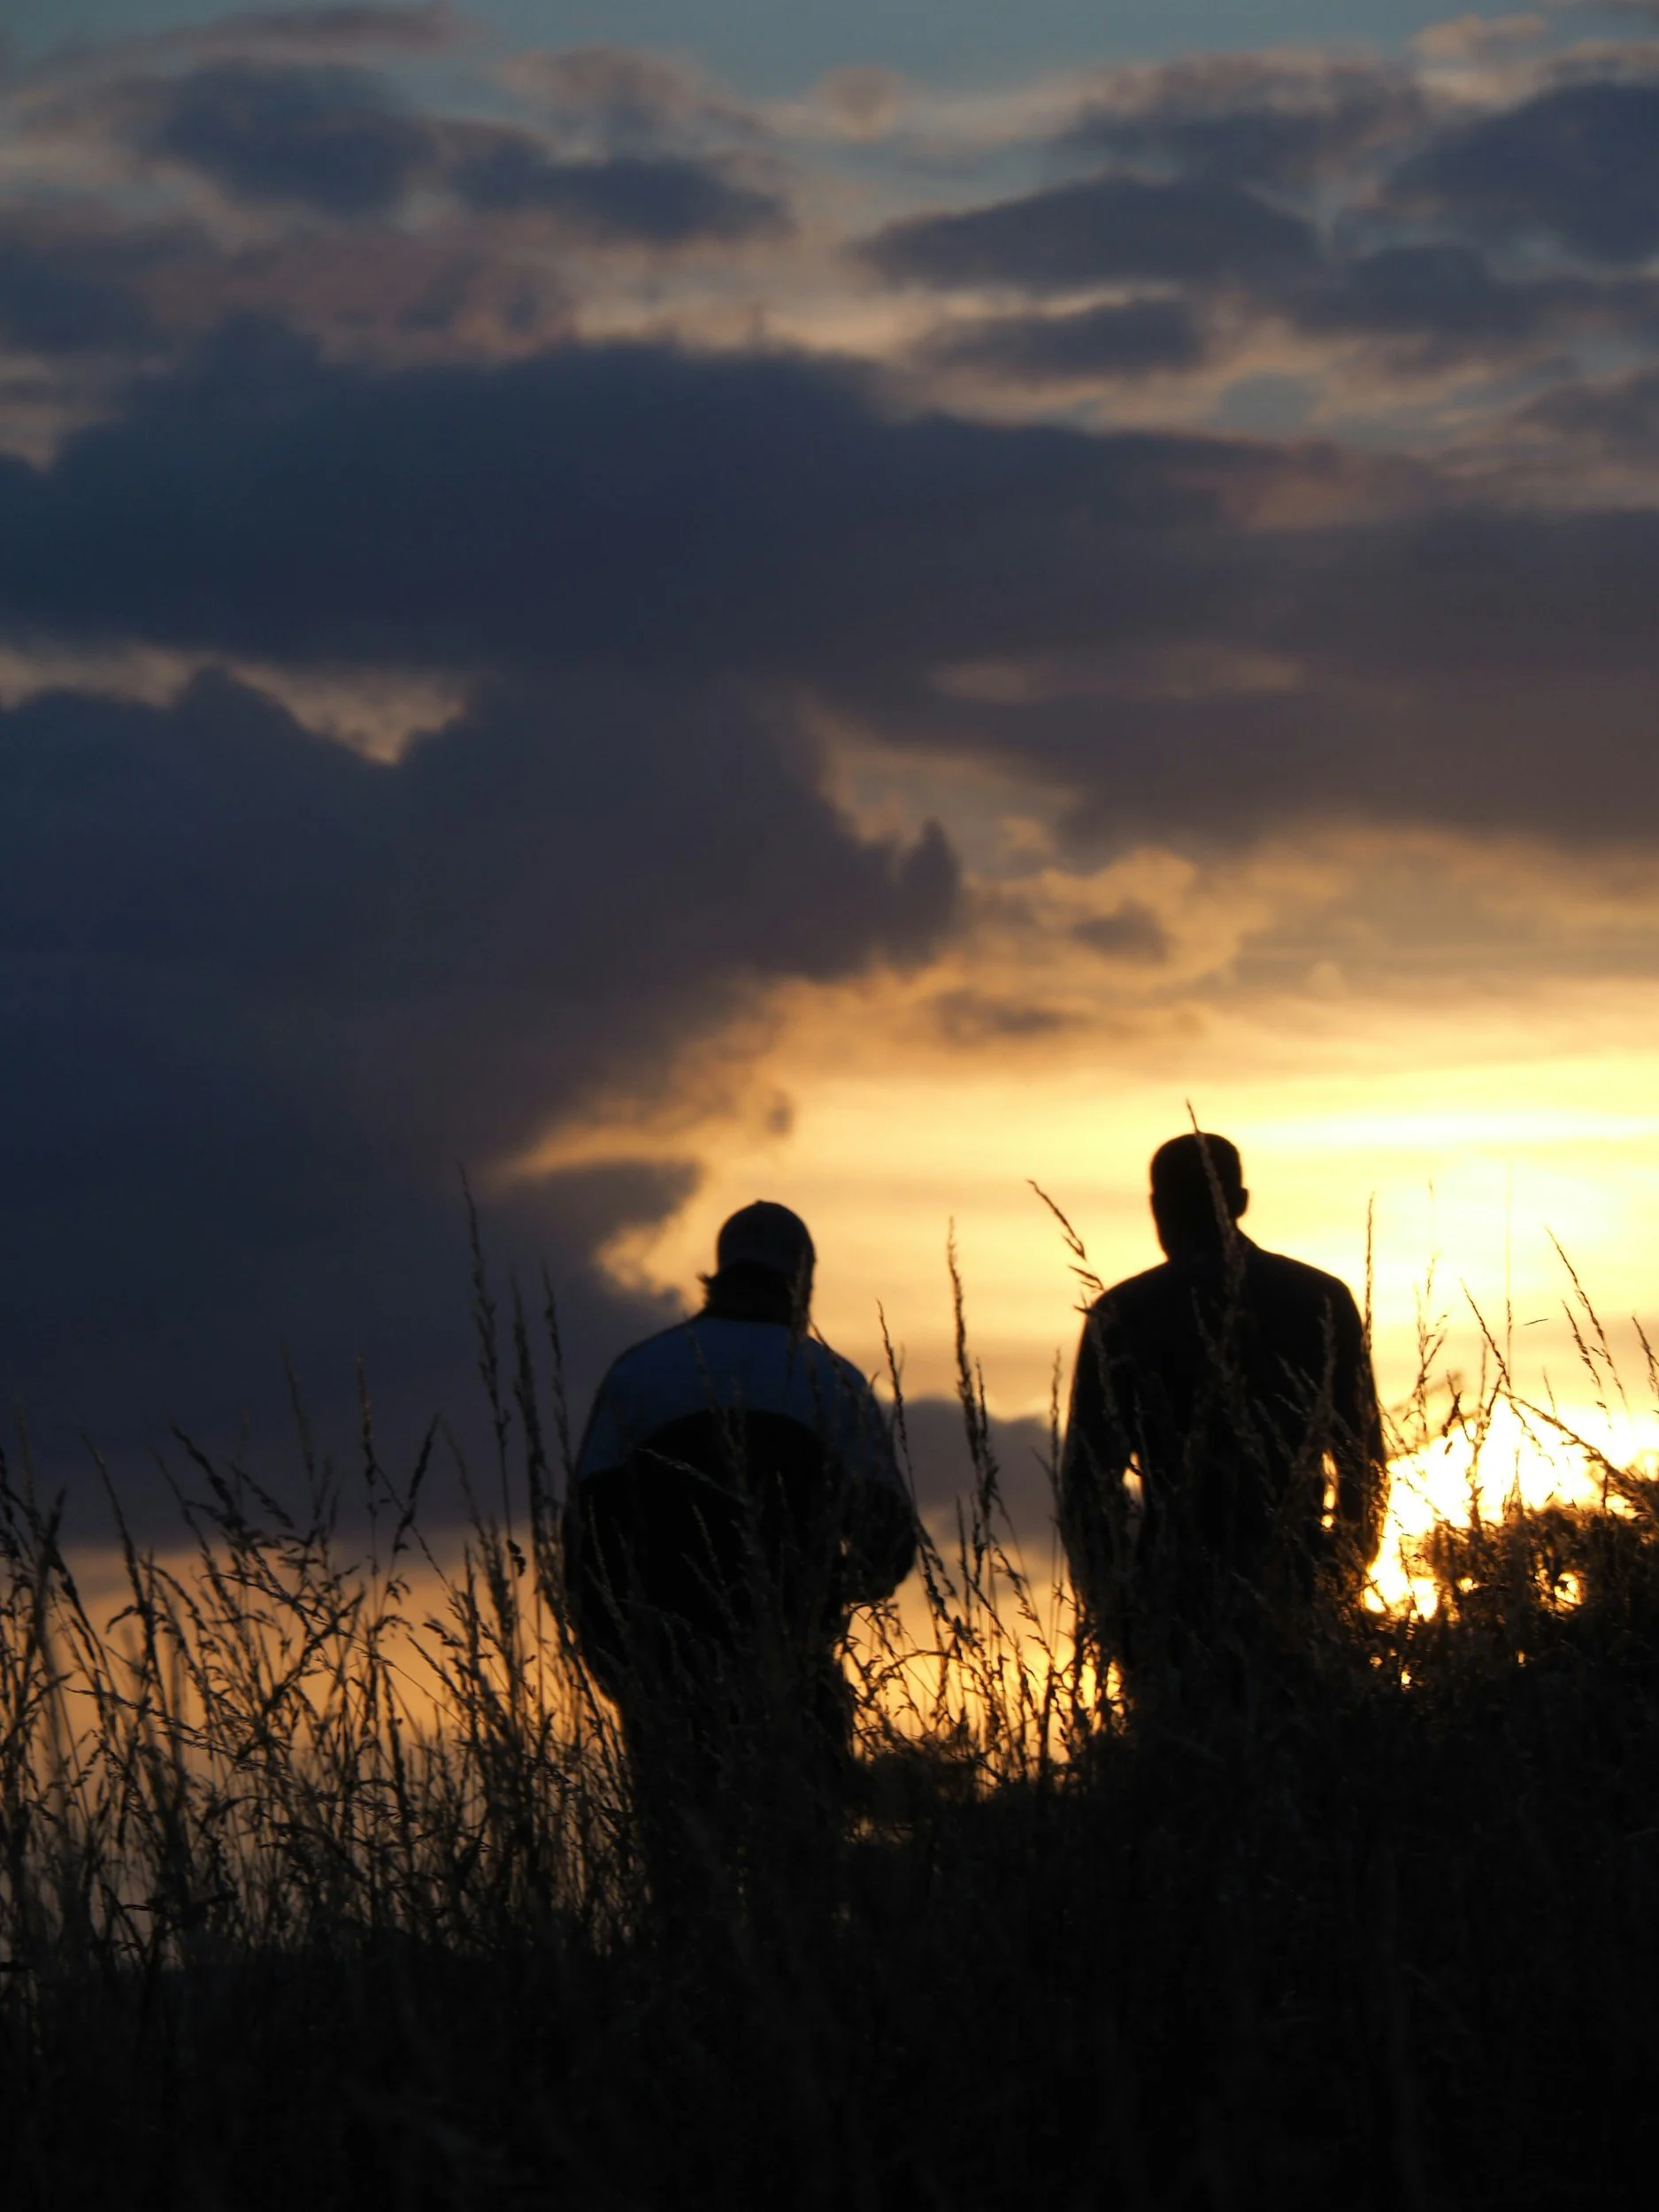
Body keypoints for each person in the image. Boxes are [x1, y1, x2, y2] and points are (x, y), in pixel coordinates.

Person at [563, 1202, 915, 1838]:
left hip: (667, 1683)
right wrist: (830, 1592)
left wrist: (620, 1671)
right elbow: (889, 1546)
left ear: (721, 1270)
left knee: (687, 1895)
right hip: (794, 1676)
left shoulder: (638, 1373)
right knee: (802, 1883)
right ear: (803, 1279)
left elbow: (587, 1541)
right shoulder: (831, 1383)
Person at [1060, 1133, 1386, 1696]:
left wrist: (1118, 1610)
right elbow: (1364, 1460)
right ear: (1241, 1201)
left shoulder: (1124, 1314)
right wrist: (1342, 1576)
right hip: (1297, 1580)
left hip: (1173, 1596)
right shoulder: (1318, 1299)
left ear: (1157, 1209)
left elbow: (1086, 1487)